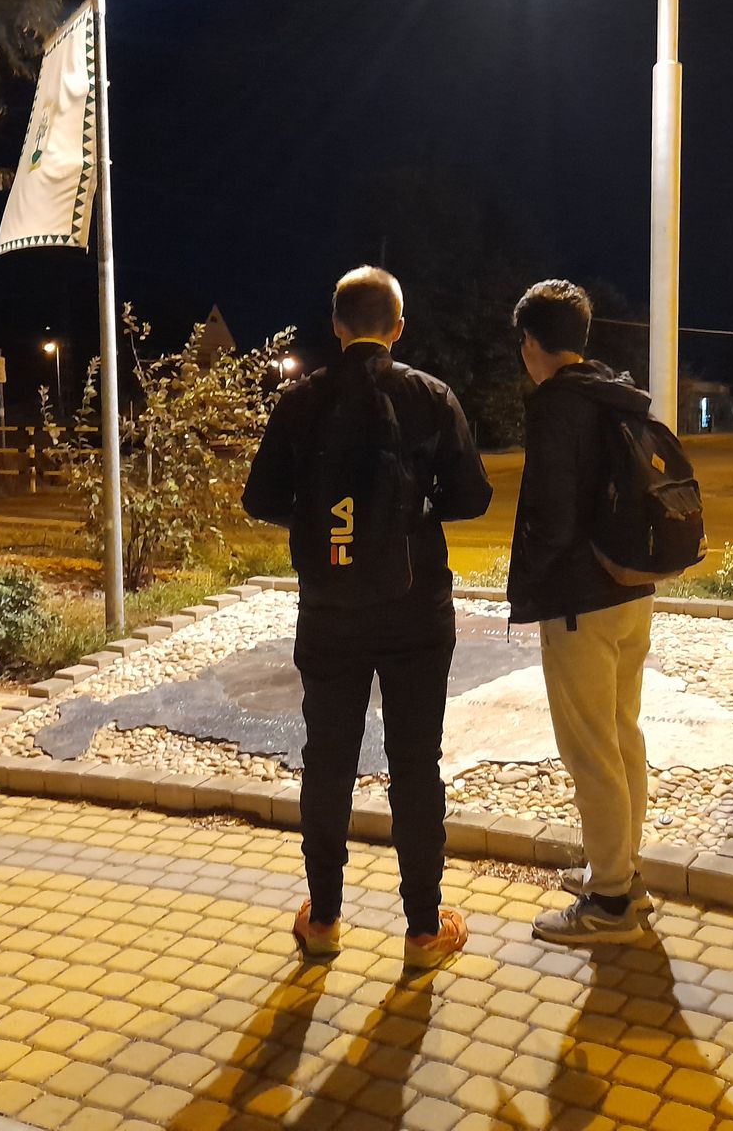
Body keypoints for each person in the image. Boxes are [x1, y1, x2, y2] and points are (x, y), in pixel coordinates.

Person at [242, 265, 492, 969]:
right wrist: (415, 509)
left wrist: (324, 524)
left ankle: (323, 920)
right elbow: (473, 496)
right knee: (415, 763)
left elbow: (260, 498)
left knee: (328, 761)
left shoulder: (301, 401)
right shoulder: (430, 397)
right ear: (398, 327)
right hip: (416, 611)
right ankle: (422, 931)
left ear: (336, 325)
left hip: (329, 608)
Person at [508, 279, 654, 946]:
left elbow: (551, 516)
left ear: (531, 343)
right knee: (621, 735)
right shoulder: (614, 393)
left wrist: (534, 586)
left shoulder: (555, 406)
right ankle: (622, 871)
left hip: (580, 602)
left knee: (591, 749)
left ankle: (610, 902)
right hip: (630, 589)